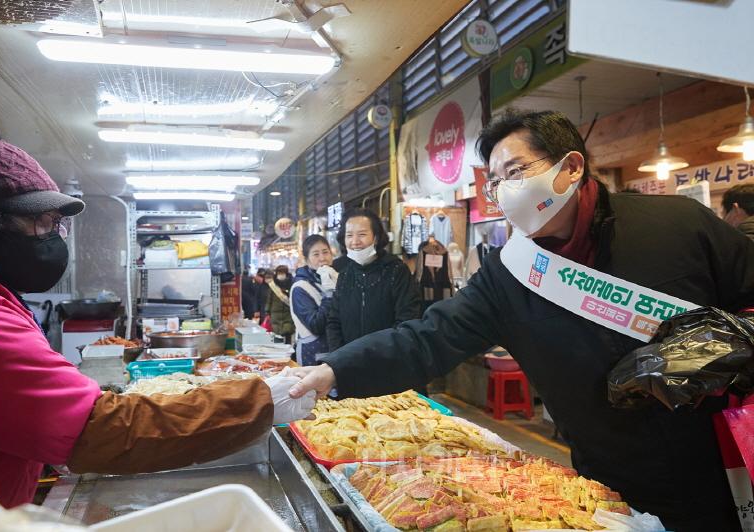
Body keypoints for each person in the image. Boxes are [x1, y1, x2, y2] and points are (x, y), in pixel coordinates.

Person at [288, 109, 752, 531]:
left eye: (516, 172)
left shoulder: (678, 226)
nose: (504, 190)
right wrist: (335, 369)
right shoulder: (510, 273)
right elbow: (430, 337)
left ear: (570, 168)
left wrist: (718, 347)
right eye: (495, 181)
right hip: (608, 483)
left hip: (721, 462)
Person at [0, 114, 316, 508]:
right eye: (38, 223)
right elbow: (97, 429)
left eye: (55, 224)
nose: (51, 237)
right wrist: (260, 400)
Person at [326, 208, 421, 351]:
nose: (355, 241)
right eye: (349, 235)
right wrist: (340, 357)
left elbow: (407, 317)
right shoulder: (345, 275)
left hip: (387, 362)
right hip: (348, 363)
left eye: (362, 234)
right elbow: (333, 321)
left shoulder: (396, 270)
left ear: (376, 237)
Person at [290, 235, 336, 366]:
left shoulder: (334, 278)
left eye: (325, 252)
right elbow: (315, 325)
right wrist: (329, 295)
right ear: (307, 260)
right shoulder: (300, 288)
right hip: (312, 357)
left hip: (336, 352)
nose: (322, 258)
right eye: (316, 254)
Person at [266, 264, 295, 344]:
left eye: (282, 272)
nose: (281, 275)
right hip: (275, 313)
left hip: (288, 313)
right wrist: (267, 311)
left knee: (288, 332)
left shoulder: (292, 284)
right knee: (276, 334)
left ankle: (288, 352)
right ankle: (277, 351)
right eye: (279, 273)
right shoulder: (273, 285)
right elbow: (269, 299)